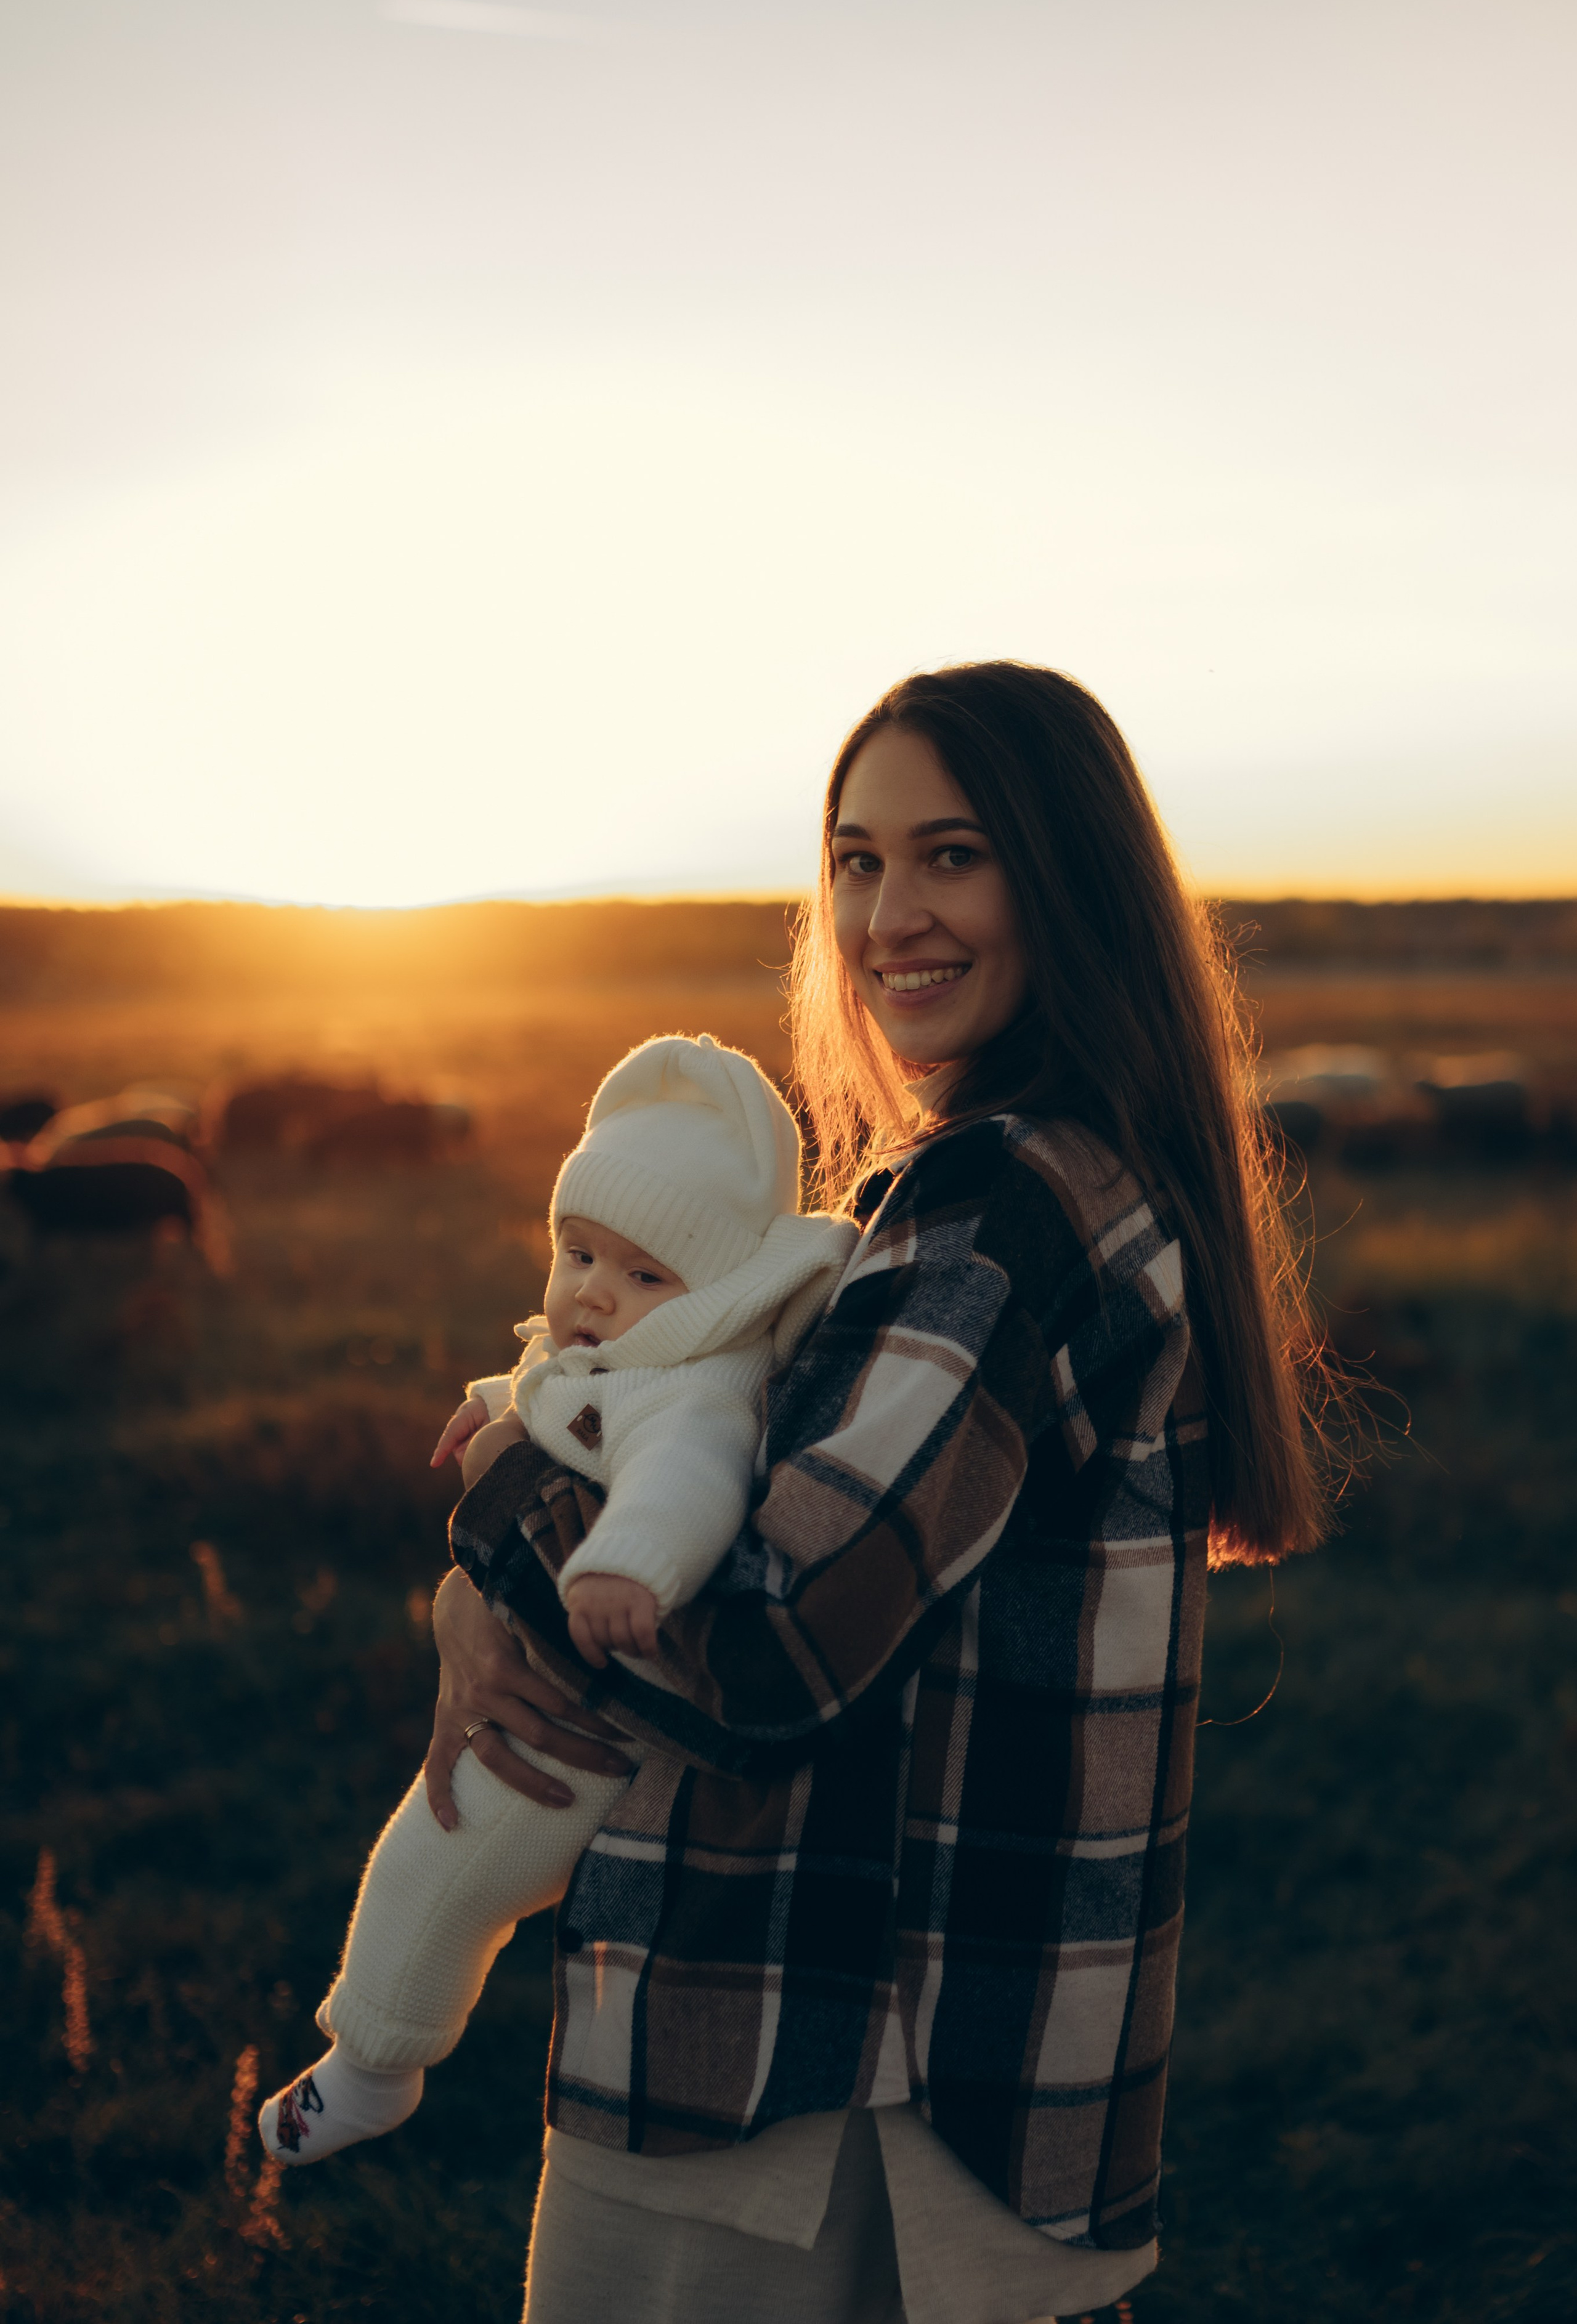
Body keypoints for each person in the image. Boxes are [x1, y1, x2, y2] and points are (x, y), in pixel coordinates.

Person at [426, 662, 1333, 2324]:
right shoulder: (1061, 1178)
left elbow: (776, 1646)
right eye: (855, 859)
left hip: (812, 2082)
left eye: (952, 853)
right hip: (953, 2083)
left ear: (1065, 876)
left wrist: (499, 1518)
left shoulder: (995, 1210)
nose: (888, 911)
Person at [258, 1034, 856, 2163]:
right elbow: (552, 1371)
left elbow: (686, 1476)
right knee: (421, 1855)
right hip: (553, 1691)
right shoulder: (631, 1350)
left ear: (716, 1294)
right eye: (579, 1251)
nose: (593, 1291)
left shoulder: (698, 1391)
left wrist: (626, 1564)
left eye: (643, 1275)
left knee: (444, 1867)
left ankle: (375, 2067)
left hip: (586, 1734)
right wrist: (490, 1400)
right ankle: (375, 2049)